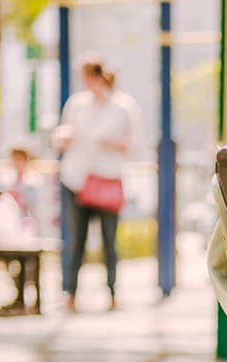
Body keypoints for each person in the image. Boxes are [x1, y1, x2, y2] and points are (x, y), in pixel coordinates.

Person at [54, 58, 141, 311]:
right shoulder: (77, 104)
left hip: (106, 179)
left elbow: (134, 144)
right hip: (77, 179)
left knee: (108, 240)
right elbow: (65, 132)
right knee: (75, 239)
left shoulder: (123, 107)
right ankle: (69, 292)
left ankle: (113, 292)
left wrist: (108, 142)